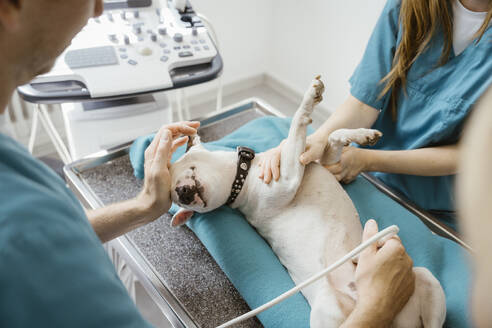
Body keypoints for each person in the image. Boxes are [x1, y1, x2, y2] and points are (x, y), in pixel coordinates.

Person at [0, 1, 198, 326]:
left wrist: (144, 205)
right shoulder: (23, 230)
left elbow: (53, 235)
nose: (98, 9)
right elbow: (36, 239)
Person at [259, 0, 491, 230]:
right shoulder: (407, 5)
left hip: (436, 207)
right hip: (366, 180)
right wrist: (315, 141)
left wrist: (368, 161)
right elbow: (363, 104)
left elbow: (472, 153)